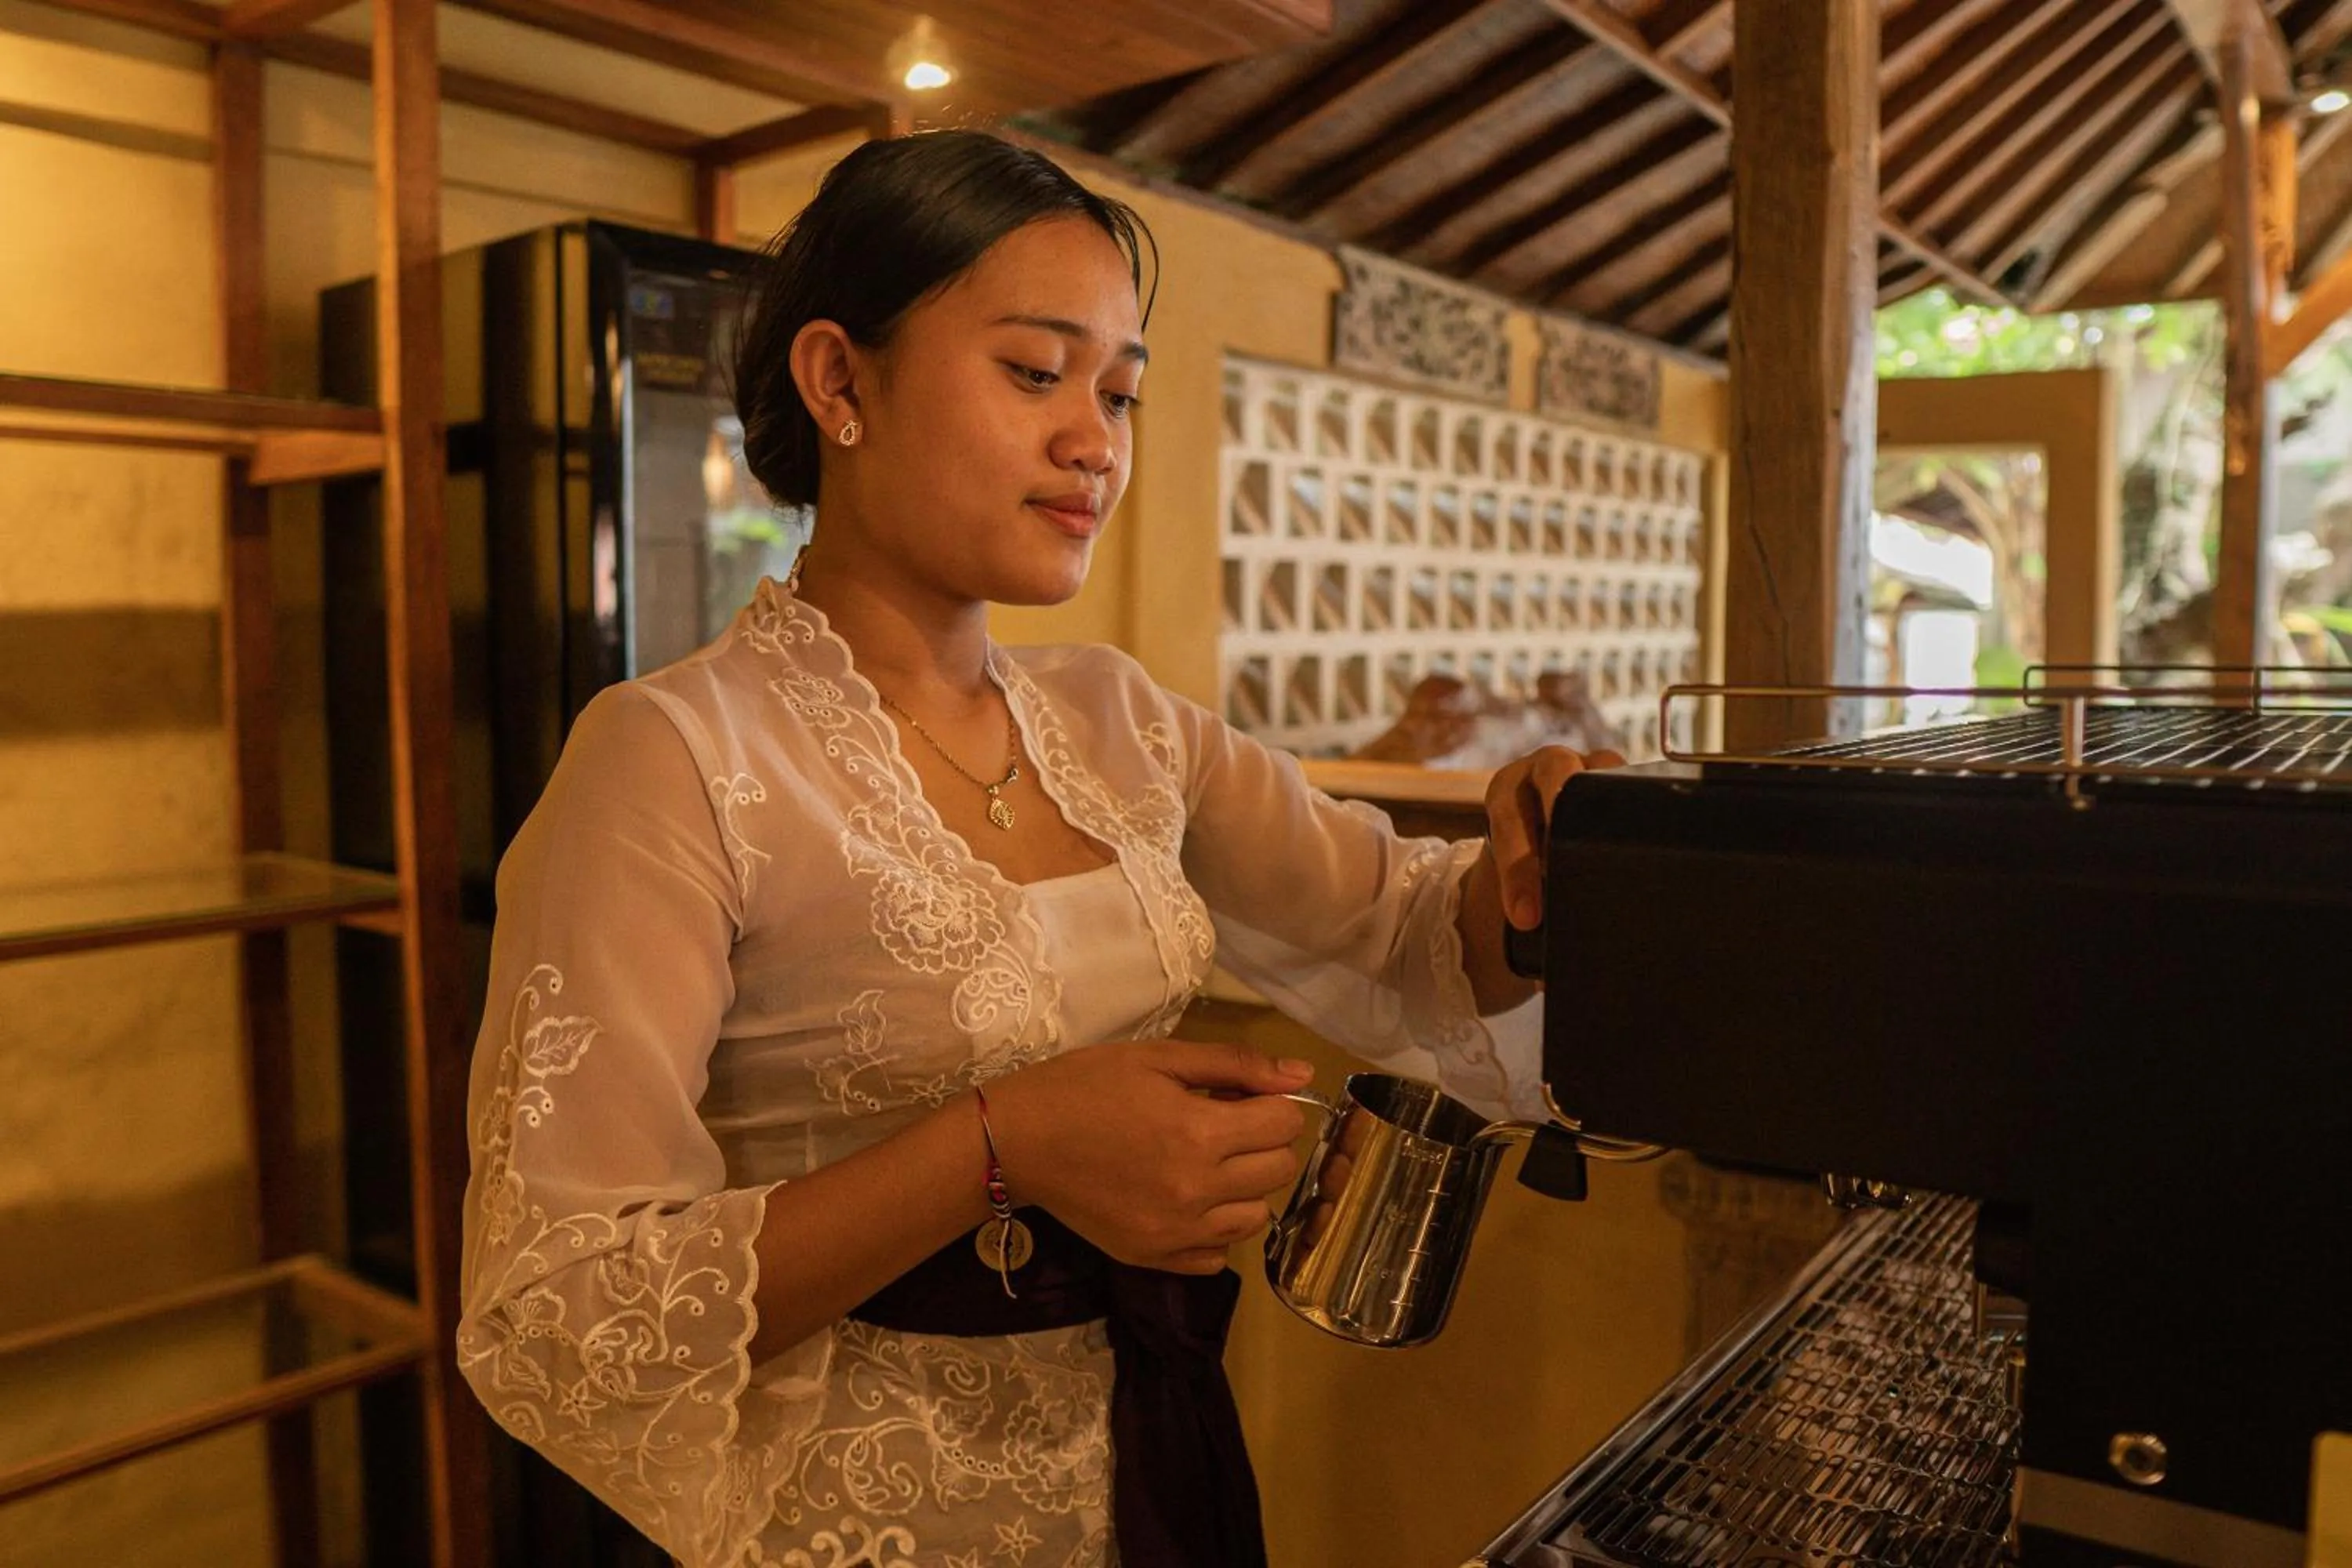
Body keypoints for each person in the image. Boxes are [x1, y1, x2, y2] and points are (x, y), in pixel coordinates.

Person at [454, 129, 1617, 1568]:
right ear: (840, 382)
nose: (1096, 442)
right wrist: (1011, 1146)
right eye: (1034, 372)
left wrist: (1551, 868)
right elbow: (562, 1302)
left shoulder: (1119, 719)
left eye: (1120, 391)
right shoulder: (678, 757)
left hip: (1157, 1464)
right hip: (866, 1522)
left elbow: (1401, 937)